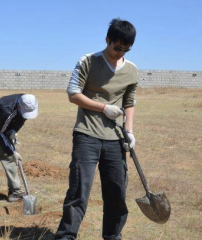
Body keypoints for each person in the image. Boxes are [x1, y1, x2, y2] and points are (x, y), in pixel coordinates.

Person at [55, 18, 138, 240]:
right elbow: (73, 94)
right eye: (116, 47)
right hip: (87, 135)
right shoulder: (88, 61)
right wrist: (104, 108)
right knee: (79, 192)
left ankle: (112, 236)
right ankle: (66, 236)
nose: (120, 53)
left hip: (115, 139)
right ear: (107, 40)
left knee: (117, 194)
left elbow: (129, 101)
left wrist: (129, 131)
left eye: (126, 49)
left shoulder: (131, 70)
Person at [0, 94, 38, 212]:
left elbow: (21, 119)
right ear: (19, 106)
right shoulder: (7, 110)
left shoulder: (27, 103)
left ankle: (15, 192)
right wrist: (12, 151)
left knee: (10, 159)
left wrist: (13, 131)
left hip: (2, 126)